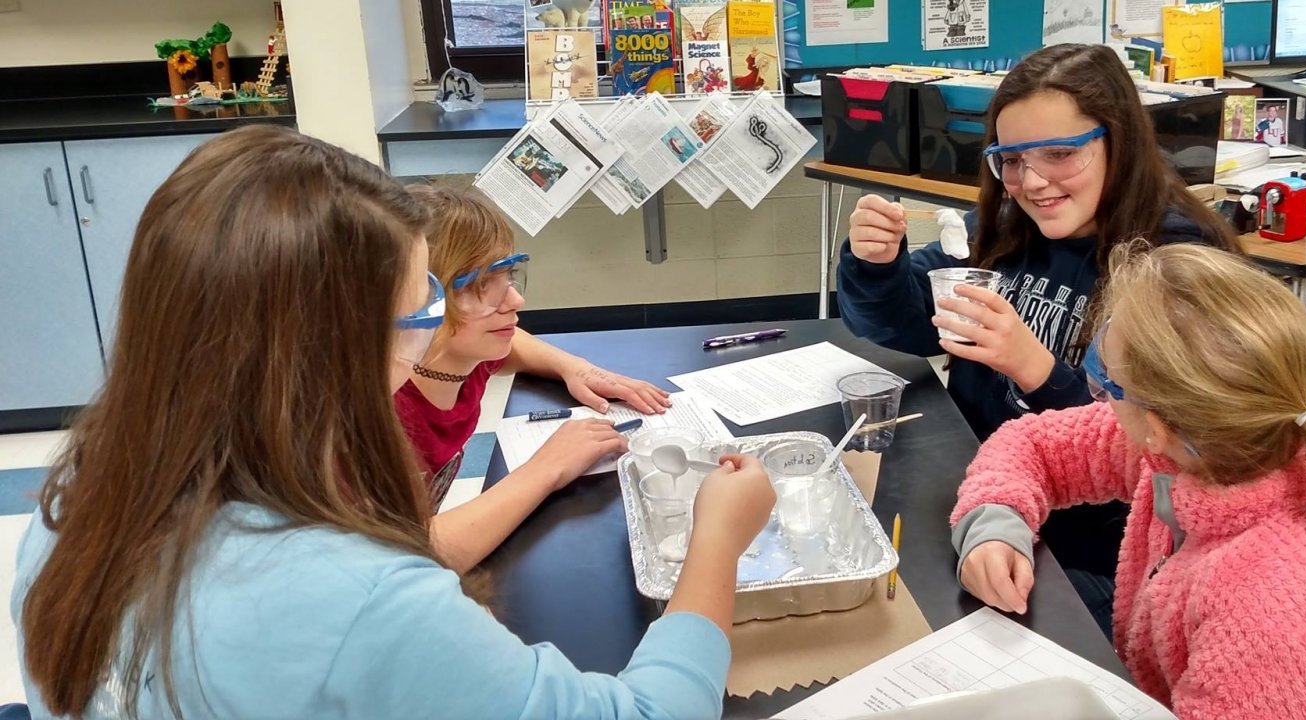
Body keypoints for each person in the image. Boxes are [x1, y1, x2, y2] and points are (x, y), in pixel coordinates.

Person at [13, 125, 775, 719]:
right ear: (335, 347)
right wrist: (717, 541)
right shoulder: (355, 597)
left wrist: (560, 364)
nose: (434, 334)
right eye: (422, 312)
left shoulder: (71, 509)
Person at [950, 244, 1306, 718]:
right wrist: (996, 522)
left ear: (1154, 426)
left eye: (1103, 376)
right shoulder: (1193, 452)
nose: (1100, 396)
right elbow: (1036, 445)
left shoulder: (1279, 620)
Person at [836, 43, 1239, 601]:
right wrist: (876, 266)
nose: (1032, 182)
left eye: (1058, 153)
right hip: (987, 497)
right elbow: (903, 324)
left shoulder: (1176, 261)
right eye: (1013, 159)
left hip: (1096, 554)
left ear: (1116, 142)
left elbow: (1171, 454)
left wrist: (1034, 369)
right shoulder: (1008, 221)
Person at [398, 184, 671, 572]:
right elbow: (406, 556)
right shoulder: (383, 411)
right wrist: (547, 467)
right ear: (417, 297)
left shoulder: (463, 355)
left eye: (508, 277)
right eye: (481, 286)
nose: (514, 301)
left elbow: (516, 345)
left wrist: (573, 367)